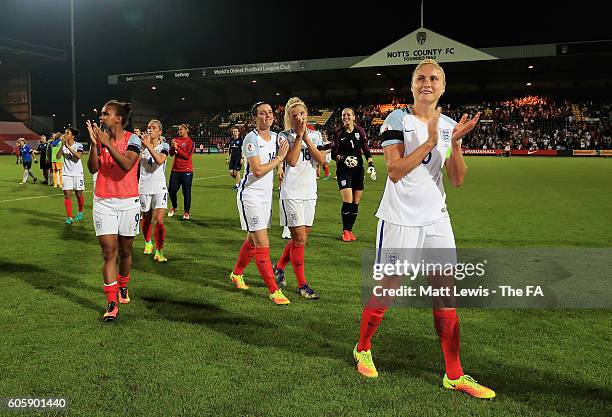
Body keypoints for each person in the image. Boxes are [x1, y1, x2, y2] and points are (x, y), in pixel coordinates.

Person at [352, 59, 495, 399]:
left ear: (443, 87)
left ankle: (454, 373)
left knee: (446, 296)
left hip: (436, 218)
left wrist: (455, 142)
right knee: (388, 290)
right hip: (400, 217)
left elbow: (457, 179)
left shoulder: (447, 124)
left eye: (434, 78)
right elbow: (395, 170)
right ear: (412, 85)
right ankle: (362, 348)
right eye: (420, 78)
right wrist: (432, 141)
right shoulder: (397, 119)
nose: (427, 83)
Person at [229, 101, 290, 305]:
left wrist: (281, 166)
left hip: (265, 197)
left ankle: (236, 274)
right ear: (255, 118)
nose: (267, 116)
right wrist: (280, 159)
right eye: (262, 113)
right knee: (262, 243)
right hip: (250, 196)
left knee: (252, 240)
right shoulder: (250, 138)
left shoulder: (276, 138)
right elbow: (257, 170)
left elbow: (281, 161)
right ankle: (274, 290)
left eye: (270, 112)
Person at [86, 100, 141, 323]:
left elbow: (128, 165)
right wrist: (93, 145)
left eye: (105, 113)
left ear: (118, 118)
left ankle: (123, 285)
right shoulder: (100, 139)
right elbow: (92, 168)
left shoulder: (133, 139)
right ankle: (111, 303)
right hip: (103, 201)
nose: (102, 117)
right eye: (101, 113)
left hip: (128, 201)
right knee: (109, 251)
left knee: (126, 250)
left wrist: (107, 143)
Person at [272, 97, 325, 300]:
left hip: (310, 193)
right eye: (294, 116)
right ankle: (303, 285)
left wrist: (306, 138)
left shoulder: (316, 134)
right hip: (291, 193)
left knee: (299, 239)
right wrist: (298, 137)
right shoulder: (283, 136)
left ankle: (278, 267)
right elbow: (292, 161)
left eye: (302, 114)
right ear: (289, 118)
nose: (299, 118)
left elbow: (321, 159)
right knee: (300, 239)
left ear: (306, 114)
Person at [331, 108, 375, 242]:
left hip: (358, 171)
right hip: (344, 171)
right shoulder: (338, 133)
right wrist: (345, 158)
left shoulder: (360, 131)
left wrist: (371, 164)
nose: (346, 117)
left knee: (356, 202)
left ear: (354, 117)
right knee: (348, 201)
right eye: (343, 115)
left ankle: (350, 230)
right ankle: (345, 230)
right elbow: (334, 154)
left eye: (348, 115)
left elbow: (366, 148)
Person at [139, 119, 170, 262]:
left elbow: (159, 160)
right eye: (148, 127)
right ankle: (147, 242)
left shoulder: (165, 146)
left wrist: (148, 146)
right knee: (146, 219)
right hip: (144, 187)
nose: (150, 130)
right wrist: (142, 147)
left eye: (154, 128)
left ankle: (159, 250)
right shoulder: (140, 146)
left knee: (159, 220)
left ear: (160, 131)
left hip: (160, 187)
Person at [57, 128, 85, 224]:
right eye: (64, 133)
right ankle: (69, 217)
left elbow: (78, 156)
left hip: (78, 174)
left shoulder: (78, 145)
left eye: (67, 133)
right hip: (66, 174)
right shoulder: (63, 146)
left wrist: (68, 147)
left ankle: (80, 212)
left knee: (79, 195)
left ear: (73, 136)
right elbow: (58, 157)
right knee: (67, 195)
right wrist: (62, 146)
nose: (65, 135)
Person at [168, 124, 195, 220]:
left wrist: (177, 148)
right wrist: (172, 147)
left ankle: (186, 212)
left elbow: (187, 156)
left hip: (186, 170)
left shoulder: (190, 142)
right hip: (175, 170)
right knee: (171, 190)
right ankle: (174, 207)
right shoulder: (175, 140)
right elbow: (171, 154)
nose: (179, 131)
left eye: (181, 129)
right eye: (179, 129)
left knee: (186, 192)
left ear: (186, 130)